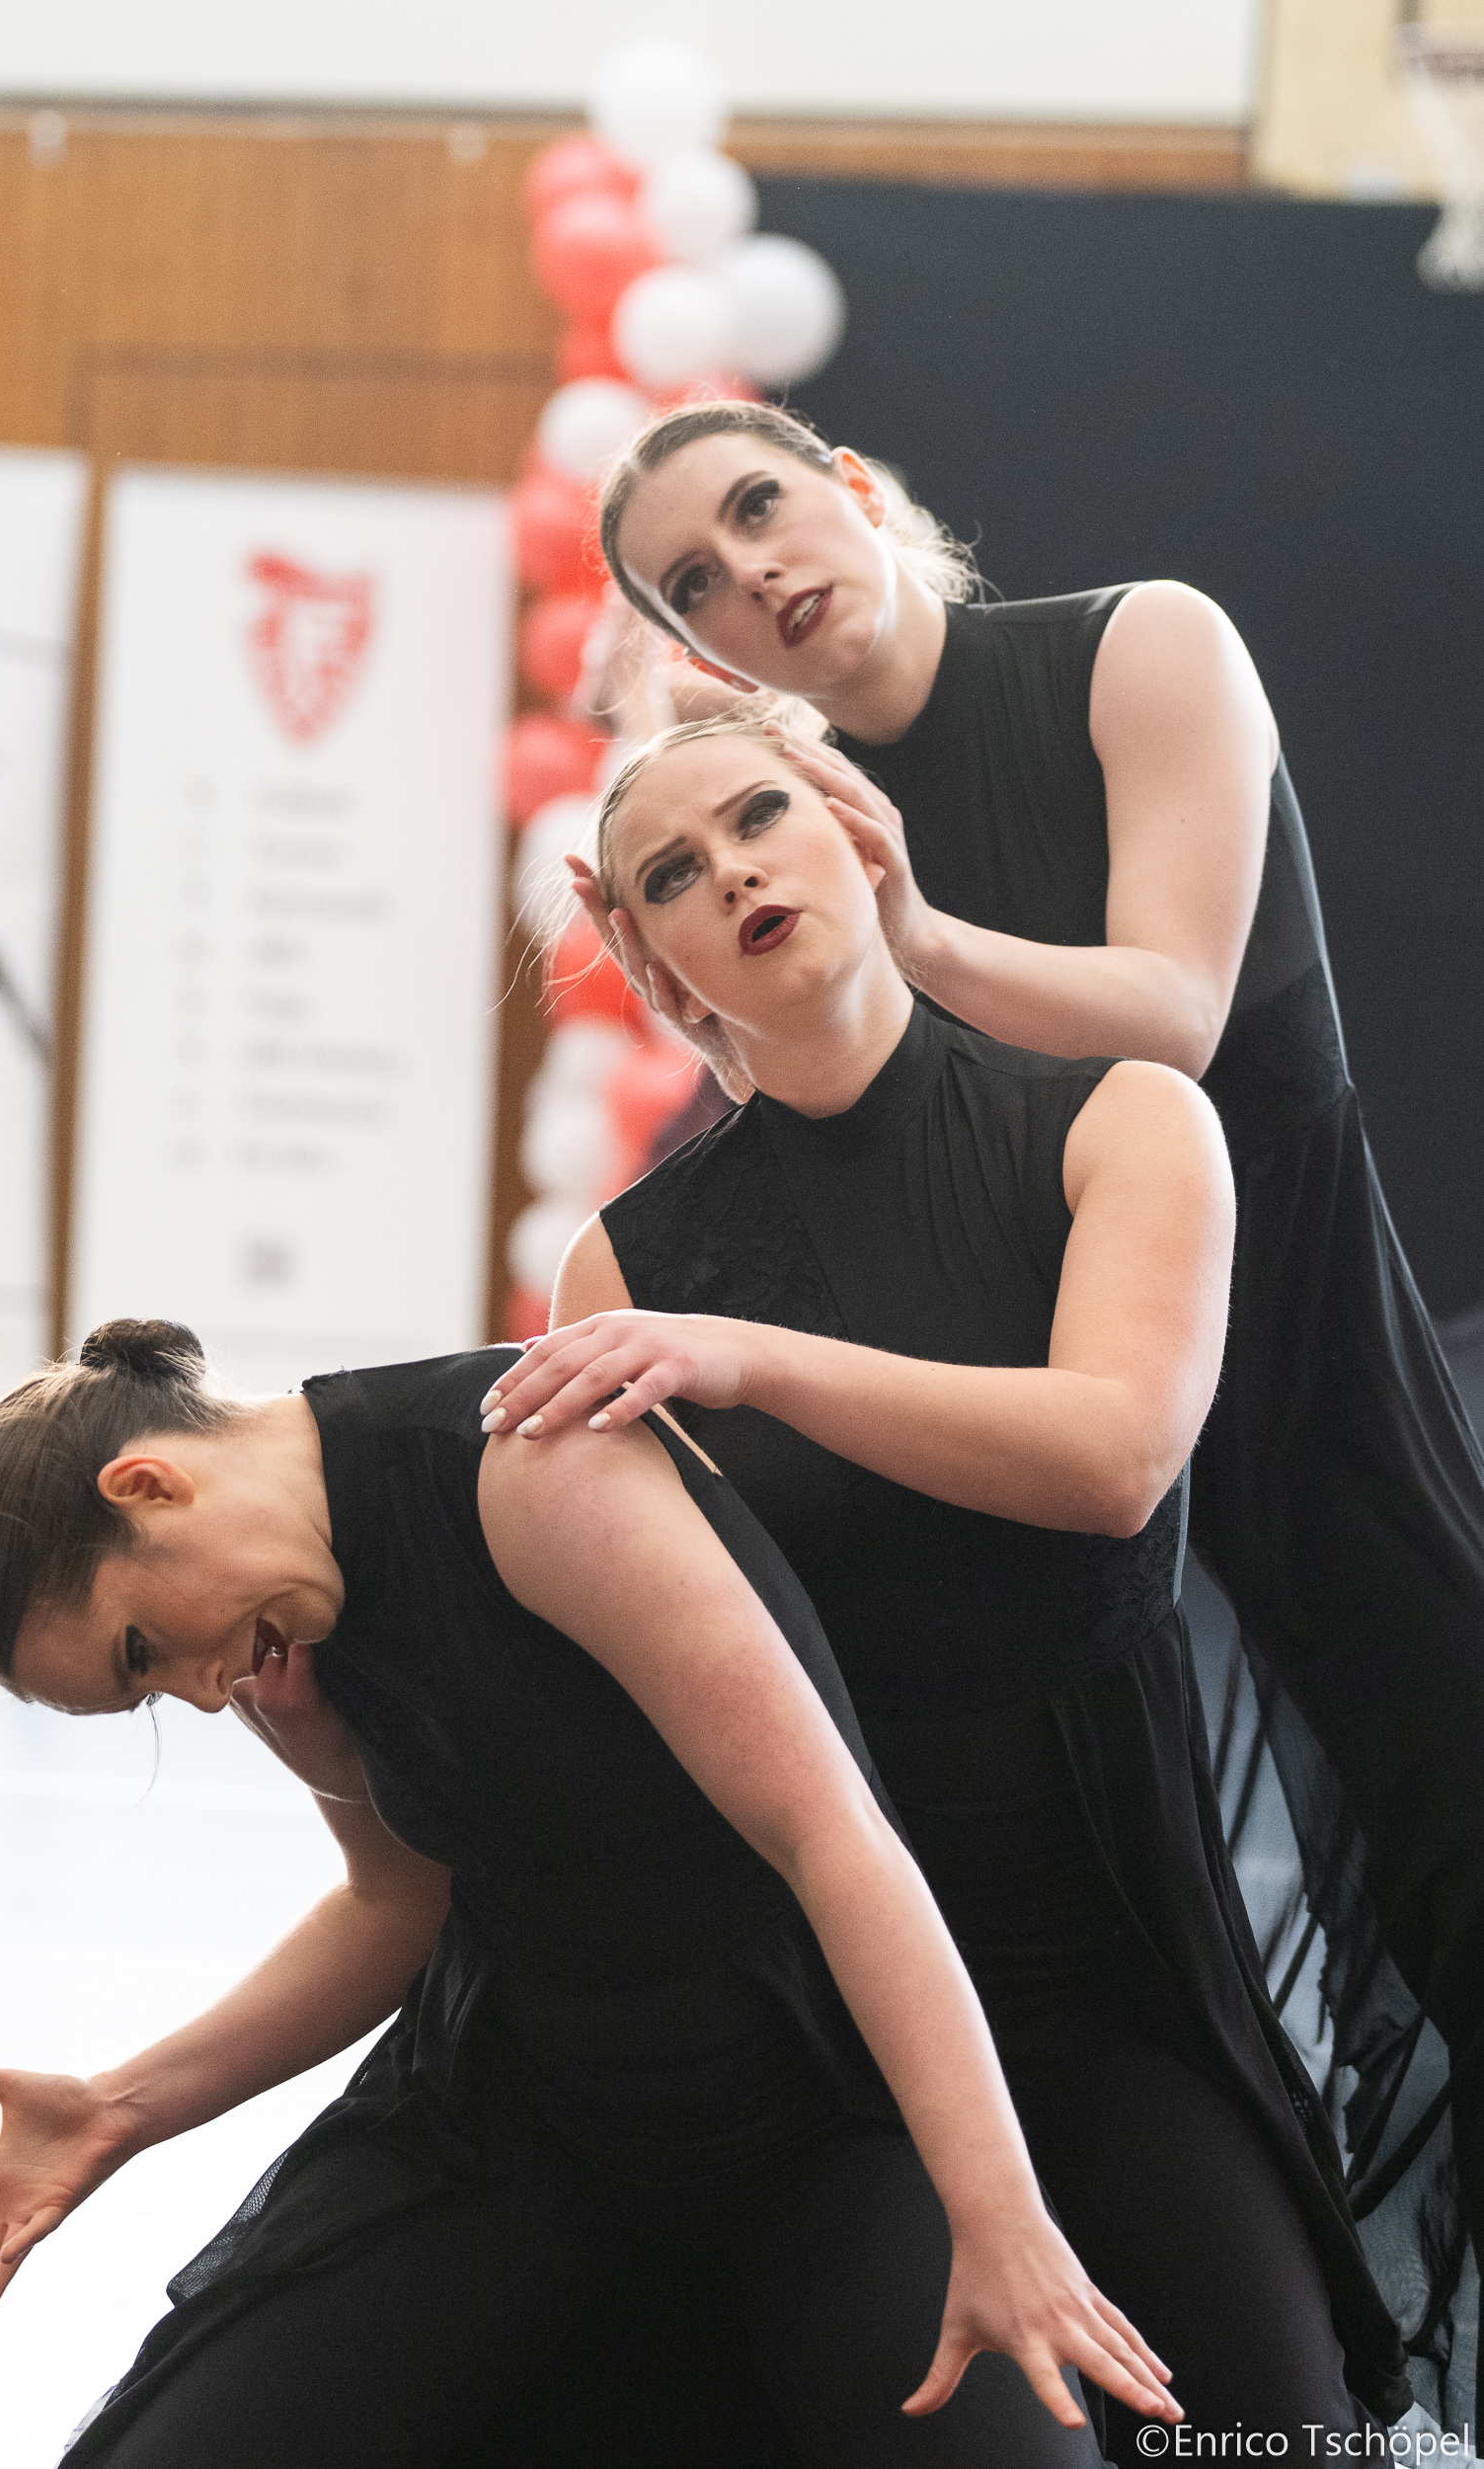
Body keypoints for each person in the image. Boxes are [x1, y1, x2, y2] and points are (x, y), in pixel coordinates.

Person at [580, 396, 1484, 2421]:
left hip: (1287, 1369)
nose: (752, 574)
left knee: (1443, 1825)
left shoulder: (1138, 647)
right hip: (1036, 1417)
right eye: (694, 584)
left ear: (852, 488)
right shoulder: (786, 823)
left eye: (759, 508)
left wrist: (906, 933)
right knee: (1125, 1925)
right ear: (691, 646)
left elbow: (1170, 1013)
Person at [481, 715, 1413, 2460]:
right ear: (655, 965)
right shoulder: (623, 1266)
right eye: (672, 874)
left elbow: (1111, 1460)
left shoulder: (1124, 1119)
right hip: (813, 2005)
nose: (731, 872)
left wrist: (756, 1359)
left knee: (1275, 2428)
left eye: (758, 817)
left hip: (1105, 1948)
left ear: (857, 834)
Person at [0, 1318, 1176, 2468]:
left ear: (149, 1486)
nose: (199, 1694)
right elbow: (391, 1908)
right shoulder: (270, 1629)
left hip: (813, 2109)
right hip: (529, 2116)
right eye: (147, 1693)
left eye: (141, 1651)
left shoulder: (524, 1468)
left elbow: (831, 1836)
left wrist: (995, 2213)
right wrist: (120, 2106)